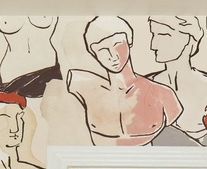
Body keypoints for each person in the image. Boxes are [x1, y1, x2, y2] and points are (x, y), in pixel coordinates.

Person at [67, 16, 182, 146]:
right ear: (94, 54)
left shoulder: (162, 93)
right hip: (101, 158)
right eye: (102, 50)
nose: (112, 55)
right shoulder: (82, 87)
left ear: (129, 41)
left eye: (117, 44)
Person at [148, 16, 207, 144]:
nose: (153, 45)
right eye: (153, 34)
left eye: (163, 35)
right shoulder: (144, 88)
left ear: (188, 39)